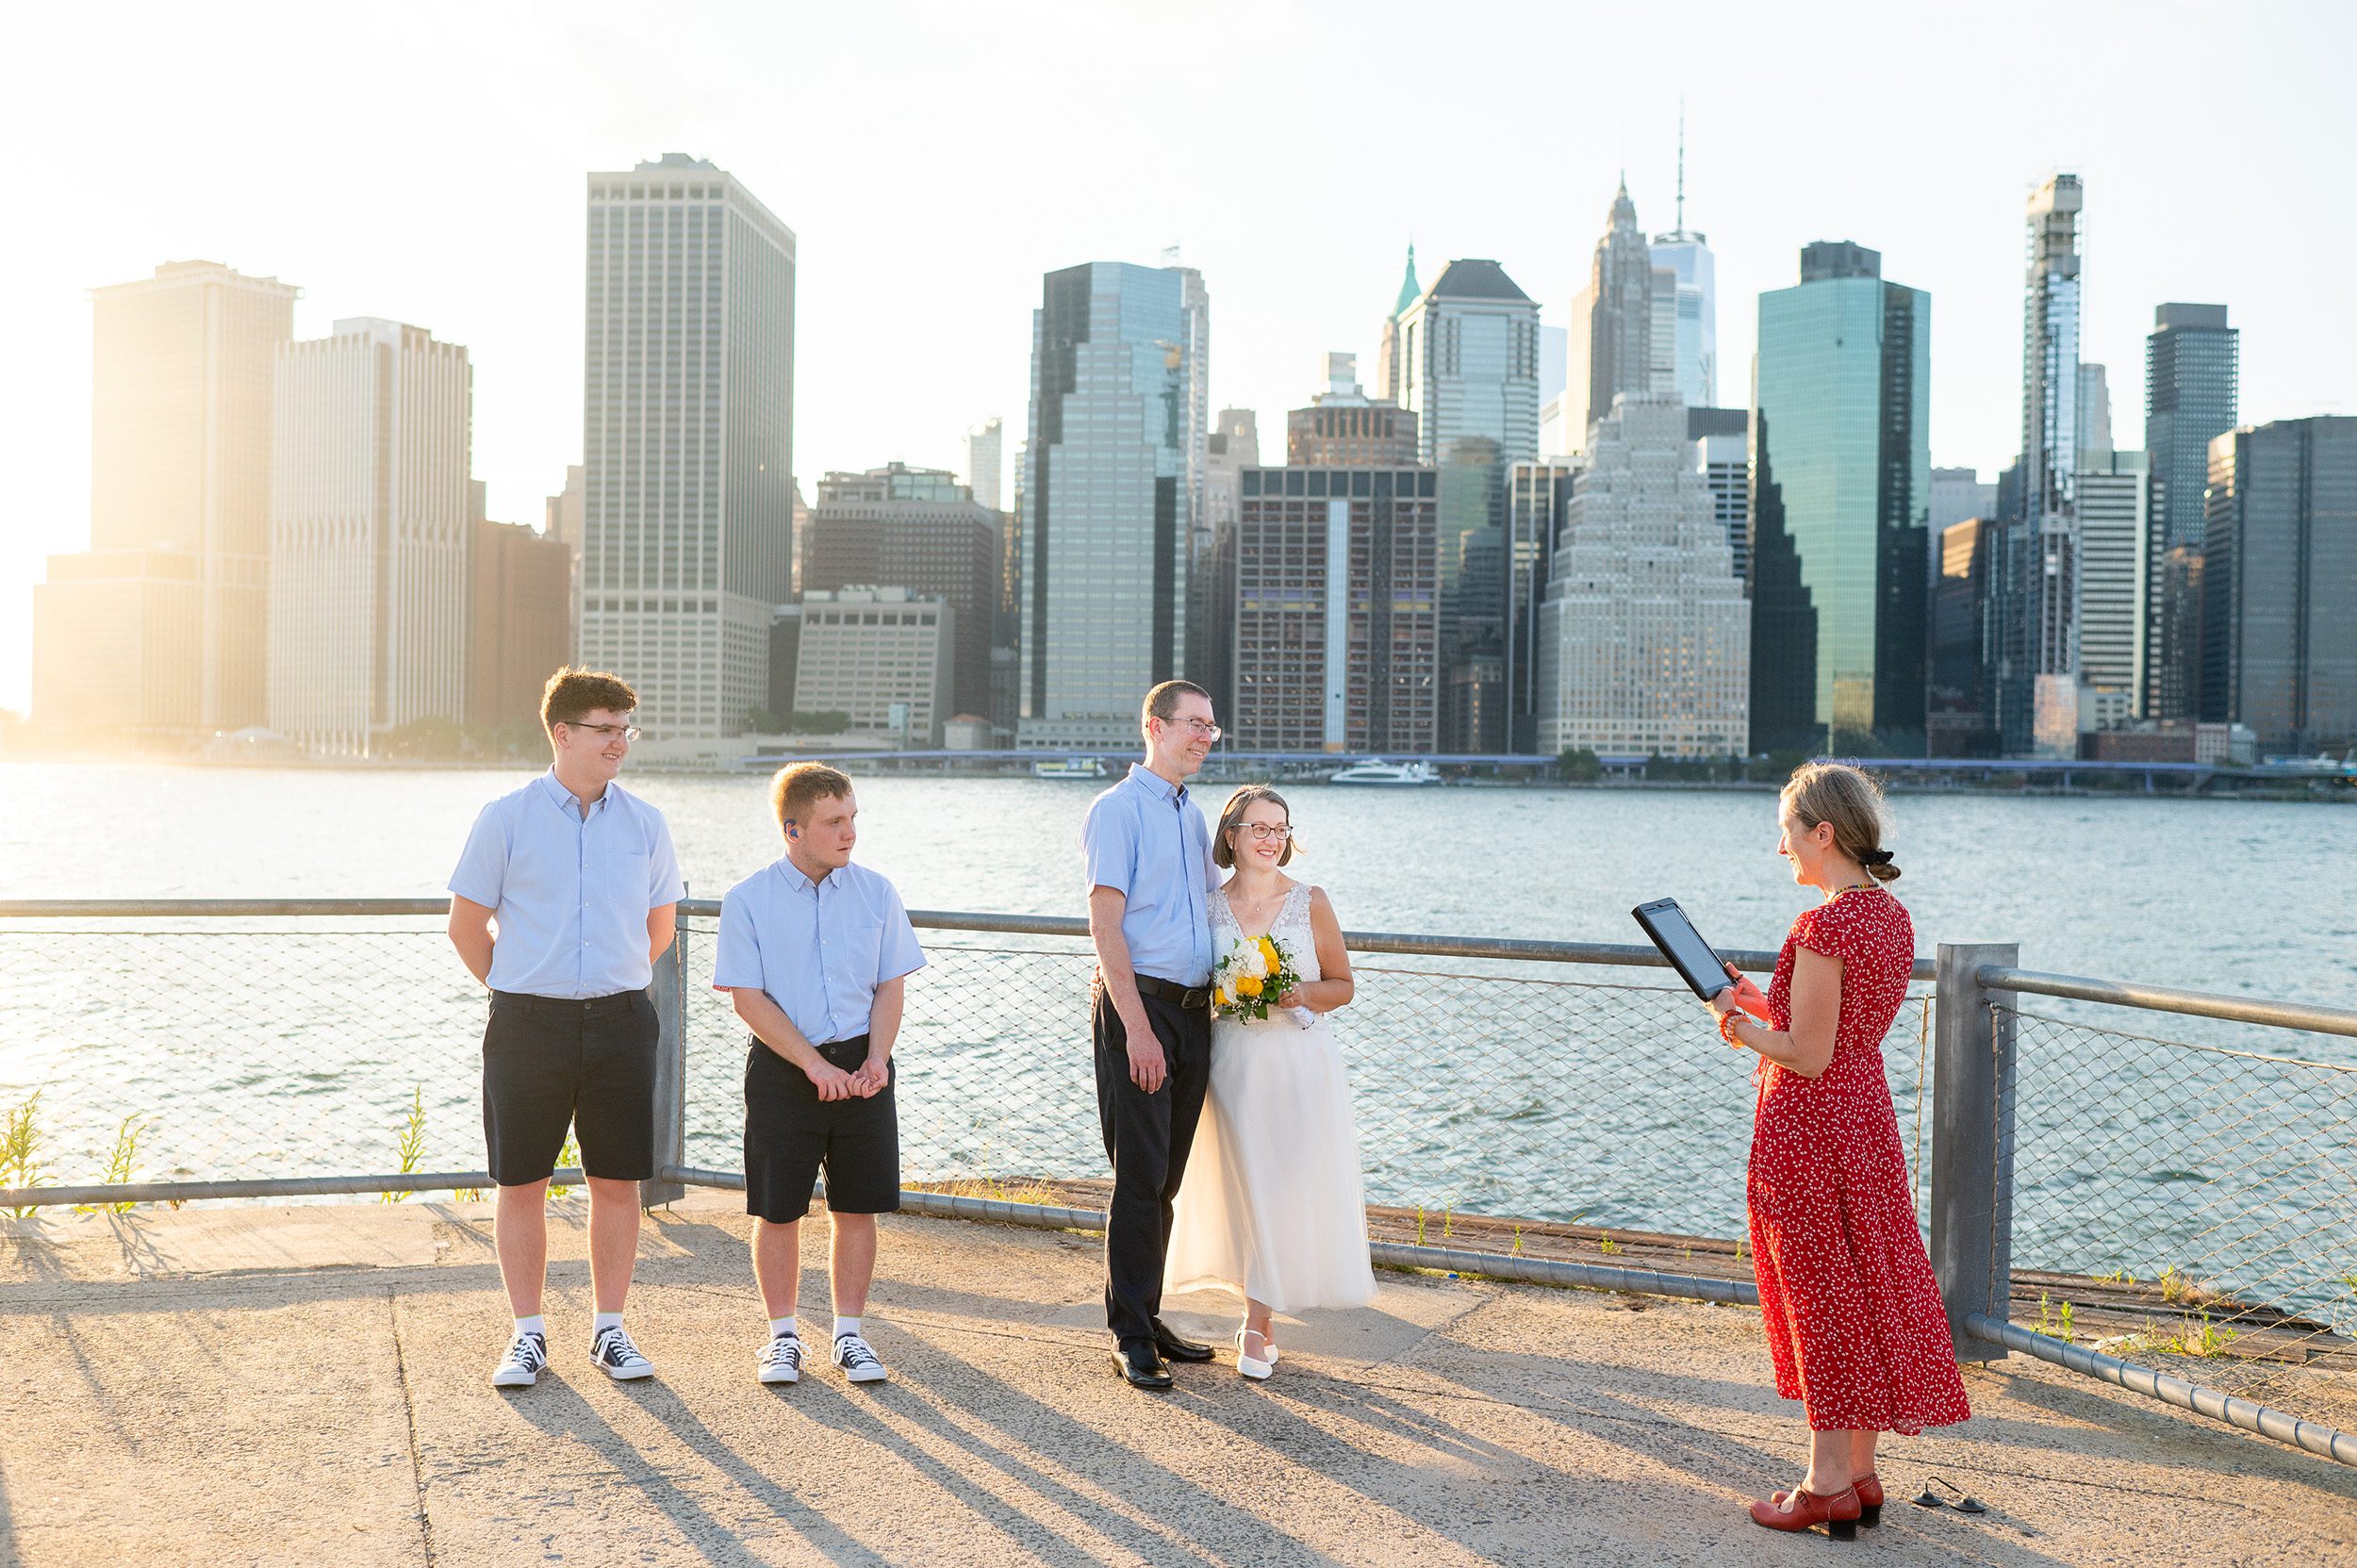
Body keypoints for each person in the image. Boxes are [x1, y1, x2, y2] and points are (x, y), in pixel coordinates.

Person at [1706, 762, 1970, 1537]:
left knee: (1821, 1290)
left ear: (1823, 833)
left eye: (1786, 833)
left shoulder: (1823, 925)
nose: (1781, 849)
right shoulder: (1888, 916)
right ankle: (1859, 1472)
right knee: (1860, 1280)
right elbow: (1836, 1029)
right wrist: (1760, 1000)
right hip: (1863, 1119)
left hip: (1810, 1125)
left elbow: (1807, 1053)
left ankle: (1824, 1484)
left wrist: (1739, 1025)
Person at [448, 668, 684, 1389]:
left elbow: (661, 927)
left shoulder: (646, 823)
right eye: (607, 729)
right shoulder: (506, 817)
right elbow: (465, 928)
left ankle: (610, 1330)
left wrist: (603, 986)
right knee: (523, 1181)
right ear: (564, 733)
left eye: (625, 729)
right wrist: (527, 989)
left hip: (620, 1021)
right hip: (526, 1023)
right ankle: (526, 1335)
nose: (620, 742)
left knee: (618, 1182)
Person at [715, 763, 924, 1388]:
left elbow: (891, 984)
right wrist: (811, 1062)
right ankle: (782, 1338)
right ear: (793, 828)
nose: (849, 831)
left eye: (853, 817)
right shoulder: (747, 899)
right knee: (778, 1210)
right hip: (784, 1068)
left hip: (865, 1065)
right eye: (835, 821)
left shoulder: (877, 892)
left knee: (858, 1207)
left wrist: (877, 1059)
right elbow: (747, 998)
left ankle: (849, 1336)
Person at [1166, 786, 1376, 1379]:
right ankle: (1256, 1310)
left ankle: (1258, 1321)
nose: (1270, 838)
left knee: (1283, 1185)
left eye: (1280, 828)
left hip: (1298, 1063)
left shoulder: (1310, 901)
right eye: (1257, 827)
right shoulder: (1206, 907)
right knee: (1244, 1186)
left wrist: (1300, 993)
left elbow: (1342, 984)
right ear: (1230, 836)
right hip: (1231, 1062)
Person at [1083, 680, 1225, 1390]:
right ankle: (1129, 1334)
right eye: (1193, 723)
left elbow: (1215, 903)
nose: (1204, 735)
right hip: (1138, 1009)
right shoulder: (1117, 811)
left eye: (1211, 726)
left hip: (1194, 1012)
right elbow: (1105, 925)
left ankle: (1147, 1310)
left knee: (1166, 1178)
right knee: (1139, 1178)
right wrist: (1136, 1028)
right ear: (1154, 726)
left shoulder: (1191, 815)